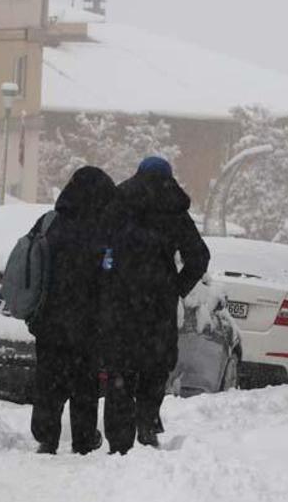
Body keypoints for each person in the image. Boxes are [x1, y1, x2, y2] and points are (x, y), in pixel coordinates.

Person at [98, 156, 209, 454]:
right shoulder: (175, 212)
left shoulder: (118, 205)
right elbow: (199, 257)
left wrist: (108, 279)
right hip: (158, 305)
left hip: (121, 302)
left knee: (119, 369)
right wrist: (176, 287)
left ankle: (119, 440)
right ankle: (147, 425)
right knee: (154, 367)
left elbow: (98, 247)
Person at [29, 166, 116, 455]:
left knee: (48, 379)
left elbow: (33, 265)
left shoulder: (49, 223)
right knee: (85, 383)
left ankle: (46, 436)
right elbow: (110, 279)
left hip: (49, 320)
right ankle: (83, 439)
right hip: (87, 324)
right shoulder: (103, 232)